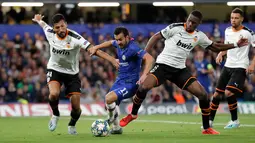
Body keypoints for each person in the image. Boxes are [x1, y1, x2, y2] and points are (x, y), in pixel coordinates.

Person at [119, 10, 248, 135]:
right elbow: (156, 37)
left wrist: (236, 45)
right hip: (162, 66)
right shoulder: (175, 28)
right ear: (187, 19)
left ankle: (206, 128)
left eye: (194, 23)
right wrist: (144, 54)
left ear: (198, 24)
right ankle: (133, 114)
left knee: (203, 94)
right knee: (143, 87)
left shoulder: (199, 36)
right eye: (189, 21)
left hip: (179, 70)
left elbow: (215, 47)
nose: (190, 24)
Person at [32, 14, 119, 135]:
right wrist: (38, 20)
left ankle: (72, 124)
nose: (60, 29)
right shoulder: (50, 32)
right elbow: (44, 26)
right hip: (54, 69)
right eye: (57, 27)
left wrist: (112, 59)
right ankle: (56, 114)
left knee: (76, 107)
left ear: (66, 24)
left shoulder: (75, 38)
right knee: (53, 94)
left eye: (62, 26)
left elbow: (93, 49)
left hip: (72, 74)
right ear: (54, 28)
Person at [88, 27, 154, 134]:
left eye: (120, 39)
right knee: (109, 104)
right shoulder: (118, 43)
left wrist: (144, 74)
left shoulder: (133, 48)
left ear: (127, 37)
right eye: (117, 39)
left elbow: (150, 58)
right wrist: (96, 47)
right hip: (120, 80)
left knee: (109, 98)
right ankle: (116, 128)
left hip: (130, 84)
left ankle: (109, 121)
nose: (118, 42)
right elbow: (110, 42)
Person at [209, 8, 255, 129]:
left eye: (236, 18)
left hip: (240, 66)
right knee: (216, 95)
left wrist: (252, 64)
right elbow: (227, 45)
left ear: (242, 19)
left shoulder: (248, 33)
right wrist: (221, 53)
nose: (233, 20)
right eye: (232, 18)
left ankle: (235, 120)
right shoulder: (227, 30)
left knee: (228, 92)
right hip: (228, 65)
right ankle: (209, 122)